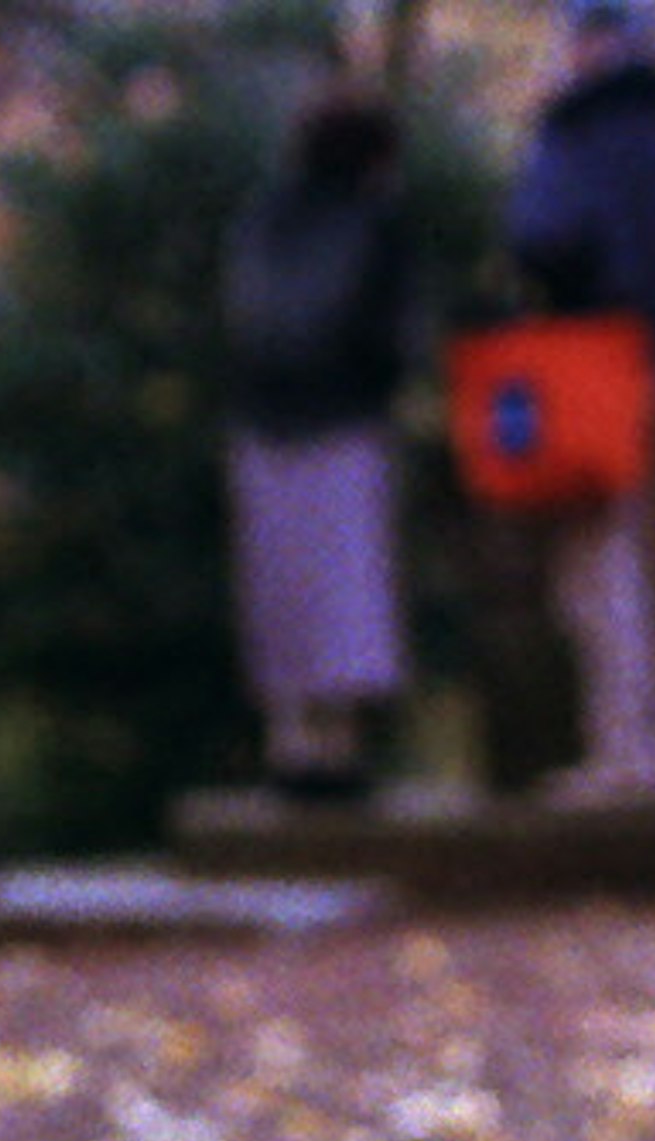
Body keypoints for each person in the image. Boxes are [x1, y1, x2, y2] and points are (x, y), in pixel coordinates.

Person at [508, 0, 655, 793]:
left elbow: (540, 238)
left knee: (604, 560)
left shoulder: (571, 131)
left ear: (584, 44)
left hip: (599, 363)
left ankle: (624, 753)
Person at [220, 75, 413, 803]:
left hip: (261, 425)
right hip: (343, 423)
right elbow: (391, 332)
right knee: (346, 593)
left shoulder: (260, 221)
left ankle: (290, 744)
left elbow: (242, 320)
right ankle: (339, 748)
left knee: (283, 591)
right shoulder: (374, 222)